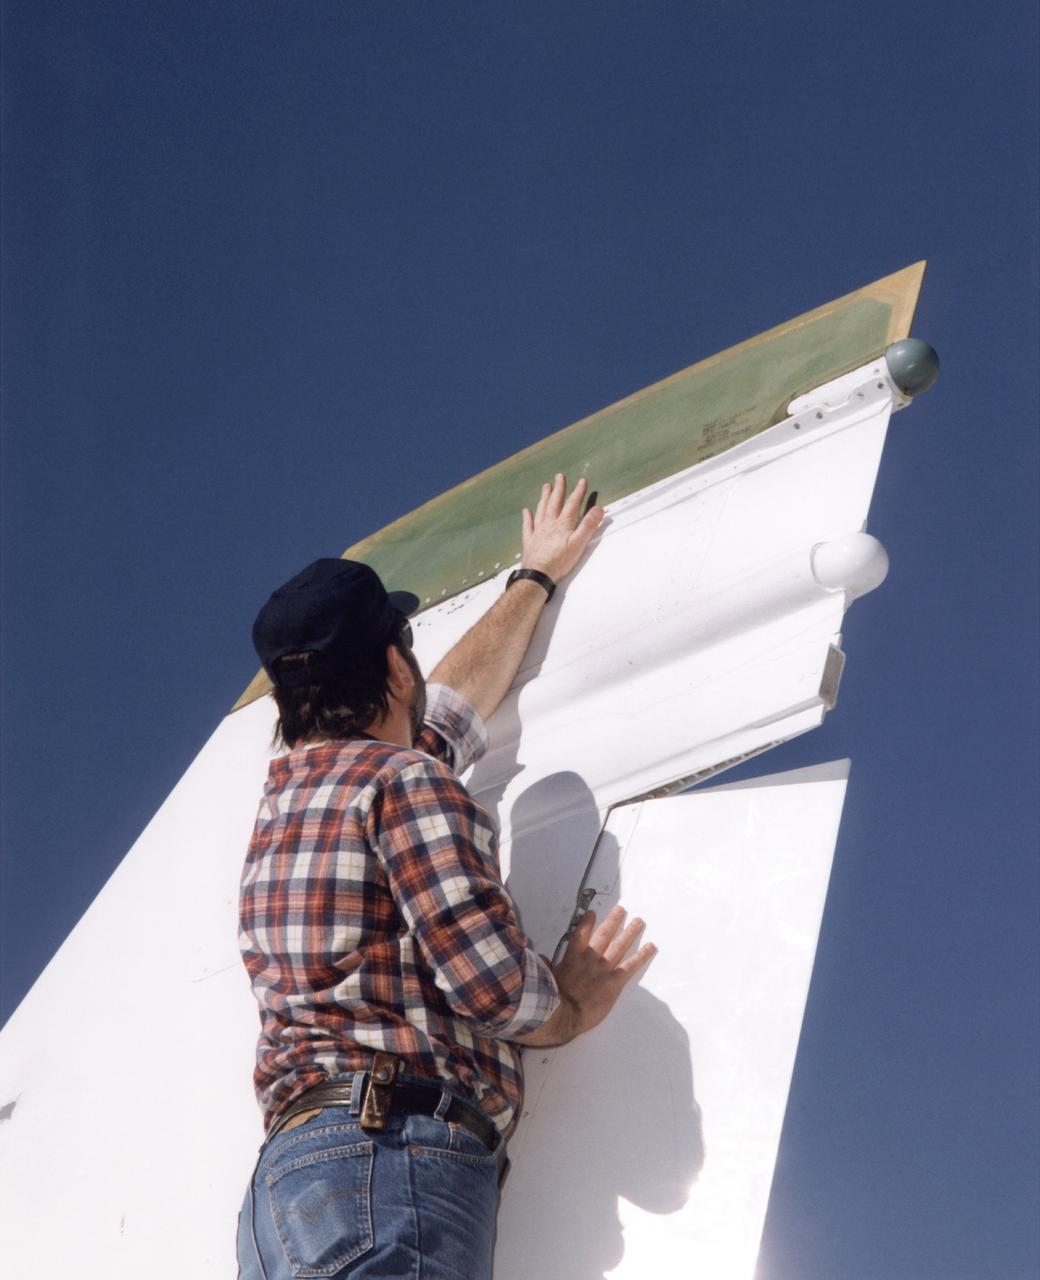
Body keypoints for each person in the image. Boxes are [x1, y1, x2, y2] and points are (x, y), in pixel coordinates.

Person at [236, 474, 656, 1280]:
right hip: (386, 1164)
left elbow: (453, 707)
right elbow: (494, 988)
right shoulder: (403, 786)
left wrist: (533, 581)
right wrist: (570, 1006)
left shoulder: (292, 802)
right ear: (397, 668)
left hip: (289, 1194)